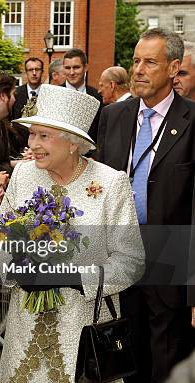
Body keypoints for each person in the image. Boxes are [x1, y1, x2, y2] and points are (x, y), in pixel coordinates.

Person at [0, 84, 145, 382]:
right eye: (31, 133)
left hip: (81, 328)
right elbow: (0, 235)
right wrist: (15, 266)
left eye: (43, 136)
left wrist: (74, 278)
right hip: (25, 327)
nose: (32, 144)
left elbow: (131, 260)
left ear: (74, 143)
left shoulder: (110, 183)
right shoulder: (23, 174)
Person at [97, 28, 195, 383]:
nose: (138, 69)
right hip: (121, 253)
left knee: (166, 355)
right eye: (135, 60)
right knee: (129, 355)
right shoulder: (113, 117)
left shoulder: (191, 121)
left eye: (149, 62)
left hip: (170, 257)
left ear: (172, 68)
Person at [62, 48, 103, 141]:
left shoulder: (98, 97)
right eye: (68, 68)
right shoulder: (54, 95)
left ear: (86, 68)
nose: (72, 72)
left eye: (76, 67)